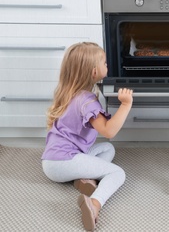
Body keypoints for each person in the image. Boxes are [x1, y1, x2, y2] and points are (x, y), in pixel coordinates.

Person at [41, 42, 133, 231]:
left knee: (108, 149)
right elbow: (109, 131)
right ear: (93, 72)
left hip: (52, 160)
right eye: (105, 63)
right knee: (117, 173)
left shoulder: (68, 92)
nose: (107, 66)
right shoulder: (87, 101)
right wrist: (125, 105)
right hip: (63, 162)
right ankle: (95, 204)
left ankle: (85, 180)